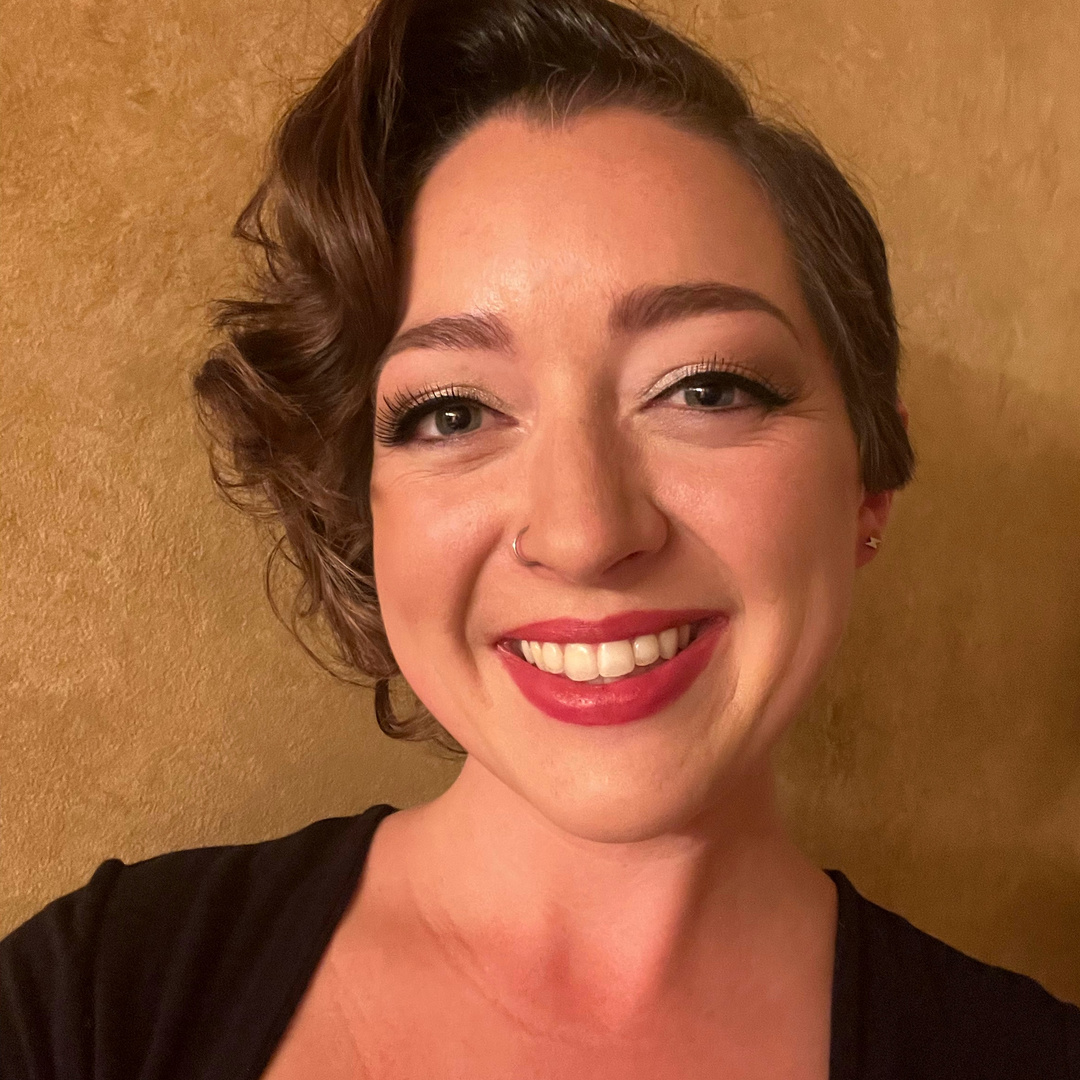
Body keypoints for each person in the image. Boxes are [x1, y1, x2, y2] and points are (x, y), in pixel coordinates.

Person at [1, 0, 1077, 1077]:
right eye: (452, 413)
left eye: (705, 389)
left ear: (869, 481)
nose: (584, 532)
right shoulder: (95, 999)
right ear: (365, 507)